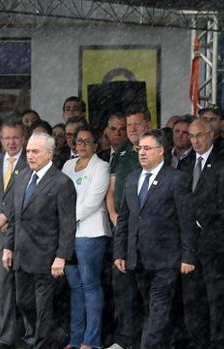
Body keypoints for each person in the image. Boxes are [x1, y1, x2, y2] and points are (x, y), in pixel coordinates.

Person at [113, 129, 196, 349]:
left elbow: (186, 221)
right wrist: (120, 251)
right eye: (140, 148)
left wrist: (188, 256)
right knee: (150, 310)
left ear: (161, 152)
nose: (142, 153)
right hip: (138, 259)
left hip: (165, 260)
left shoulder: (176, 179)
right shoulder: (132, 179)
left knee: (158, 312)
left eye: (147, 148)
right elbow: (124, 219)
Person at [2, 131, 76, 349]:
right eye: (28, 151)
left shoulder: (62, 183)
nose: (30, 155)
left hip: (47, 255)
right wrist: (8, 247)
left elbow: (68, 224)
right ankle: (56, 336)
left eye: (36, 151)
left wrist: (62, 256)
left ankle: (42, 343)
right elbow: (16, 217)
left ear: (50, 154)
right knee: (23, 302)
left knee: (43, 307)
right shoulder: (23, 176)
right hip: (22, 254)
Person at [178, 119, 224, 348]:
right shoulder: (185, 164)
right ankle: (198, 342)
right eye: (191, 136)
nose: (195, 141)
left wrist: (199, 217)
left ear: (211, 135)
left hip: (217, 244)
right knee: (193, 300)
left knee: (217, 300)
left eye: (199, 135)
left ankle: (218, 342)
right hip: (191, 245)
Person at [62, 126, 111, 349]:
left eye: (87, 142)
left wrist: (67, 221)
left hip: (90, 233)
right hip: (69, 235)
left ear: (96, 145)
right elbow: (60, 196)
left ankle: (91, 341)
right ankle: (75, 339)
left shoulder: (101, 166)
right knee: (76, 288)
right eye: (78, 141)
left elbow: (92, 202)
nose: (81, 146)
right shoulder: (67, 165)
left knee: (90, 286)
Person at [105, 107, 150, 349]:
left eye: (136, 124)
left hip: (147, 232)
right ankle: (123, 340)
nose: (132, 129)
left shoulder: (153, 151)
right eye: (129, 124)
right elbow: (111, 191)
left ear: (148, 125)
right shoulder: (121, 153)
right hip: (121, 230)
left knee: (146, 288)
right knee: (122, 286)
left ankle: (146, 340)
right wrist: (115, 218)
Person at [0, 117, 29, 348]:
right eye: (6, 138)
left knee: (25, 288)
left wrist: (8, 217)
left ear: (23, 138)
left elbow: (31, 197)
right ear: (0, 140)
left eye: (15, 137)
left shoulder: (31, 162)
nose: (11, 142)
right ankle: (6, 334)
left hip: (23, 235)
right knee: (3, 290)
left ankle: (27, 334)